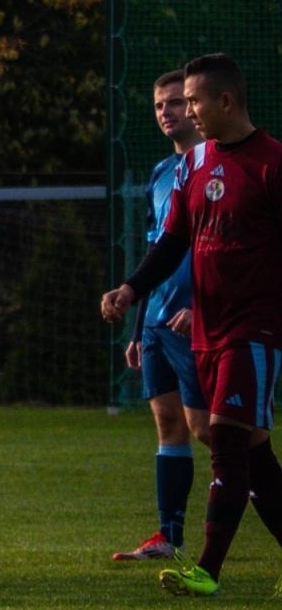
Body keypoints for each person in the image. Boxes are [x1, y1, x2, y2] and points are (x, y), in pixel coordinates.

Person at [101, 53, 282, 597]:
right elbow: (173, 241)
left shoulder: (272, 163)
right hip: (207, 331)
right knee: (253, 452)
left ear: (225, 101)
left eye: (195, 100)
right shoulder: (196, 166)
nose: (189, 111)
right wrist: (132, 288)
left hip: (254, 330)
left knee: (225, 439)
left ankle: (206, 569)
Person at [112, 70, 209, 561]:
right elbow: (159, 250)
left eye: (176, 103)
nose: (168, 113)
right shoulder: (158, 173)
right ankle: (169, 538)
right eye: (159, 106)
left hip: (199, 320)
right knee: (168, 422)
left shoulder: (216, 168)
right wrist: (137, 324)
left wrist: (202, 306)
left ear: (196, 108)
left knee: (212, 429)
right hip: (157, 322)